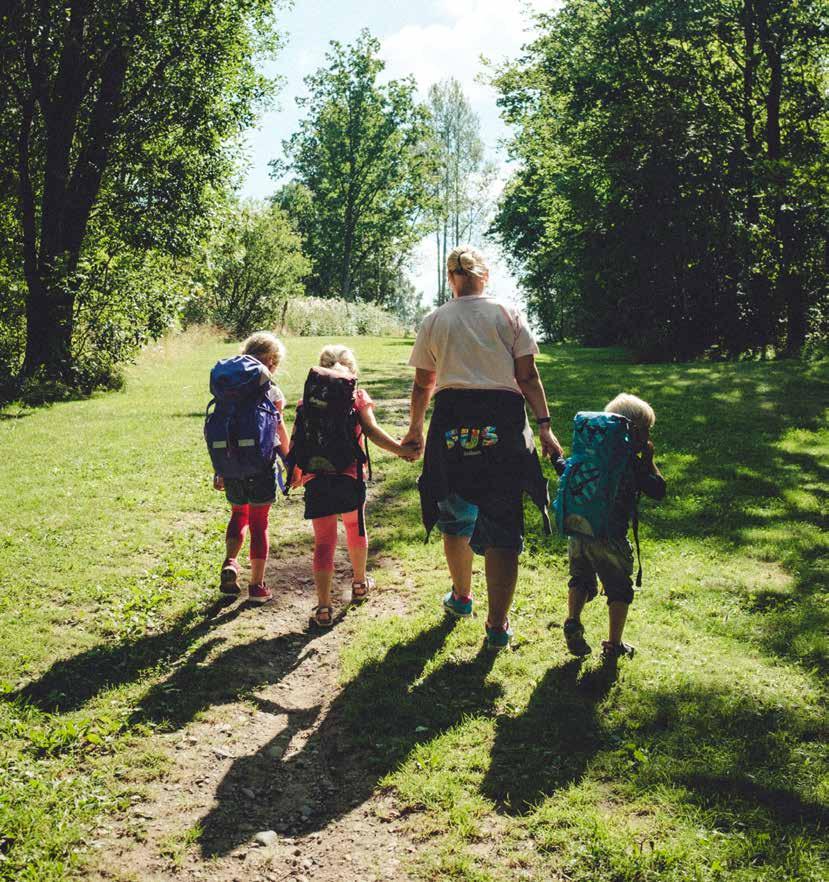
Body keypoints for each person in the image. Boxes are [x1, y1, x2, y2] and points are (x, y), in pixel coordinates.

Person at [402, 245, 563, 650]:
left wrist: (415, 429)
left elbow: (424, 383)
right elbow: (527, 377)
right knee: (502, 522)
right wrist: (544, 427)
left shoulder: (435, 319)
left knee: (455, 511)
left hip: (452, 422)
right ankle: (496, 625)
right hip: (503, 424)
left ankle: (461, 597)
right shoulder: (508, 314)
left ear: (450, 278)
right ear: (483, 275)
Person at [290, 345, 419, 628]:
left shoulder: (307, 401)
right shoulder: (357, 397)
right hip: (350, 476)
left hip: (316, 477)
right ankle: (360, 583)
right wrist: (401, 449)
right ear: (353, 370)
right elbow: (371, 431)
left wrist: (296, 475)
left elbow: (298, 441)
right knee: (354, 528)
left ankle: (324, 608)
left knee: (324, 542)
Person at [562, 394, 666, 660]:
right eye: (646, 430)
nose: (648, 436)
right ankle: (613, 644)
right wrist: (648, 460)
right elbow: (658, 489)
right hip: (611, 538)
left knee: (581, 579)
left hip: (579, 532)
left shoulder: (590, 453)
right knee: (619, 590)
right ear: (635, 430)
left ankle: (573, 620)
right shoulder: (630, 461)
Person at [213, 332, 290, 603]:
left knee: (238, 515)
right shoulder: (272, 391)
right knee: (259, 524)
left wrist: (220, 468)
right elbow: (278, 431)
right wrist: (290, 463)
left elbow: (222, 430)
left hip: (231, 466)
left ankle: (231, 562)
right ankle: (256, 586)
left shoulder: (227, 388)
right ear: (270, 361)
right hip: (260, 465)